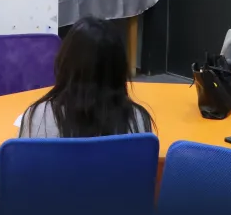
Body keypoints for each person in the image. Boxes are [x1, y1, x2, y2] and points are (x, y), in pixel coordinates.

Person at [18, 17, 154, 138]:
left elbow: (23, 158)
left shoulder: (37, 117)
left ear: (65, 63)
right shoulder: (138, 120)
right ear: (120, 68)